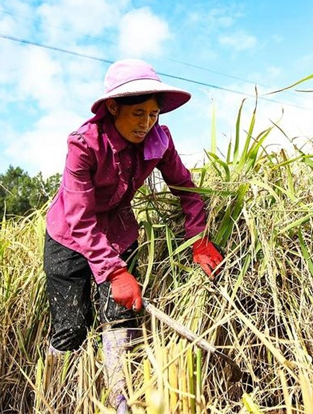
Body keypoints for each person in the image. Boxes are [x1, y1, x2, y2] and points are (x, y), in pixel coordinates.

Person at [43, 58, 223, 412]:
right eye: (138, 113)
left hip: (119, 232)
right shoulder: (84, 144)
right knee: (71, 327)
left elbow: (185, 188)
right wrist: (114, 272)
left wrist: (198, 239)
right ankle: (53, 401)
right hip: (68, 236)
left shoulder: (159, 140)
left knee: (121, 319)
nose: (146, 123)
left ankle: (120, 404)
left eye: (153, 114)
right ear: (112, 107)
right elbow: (80, 218)